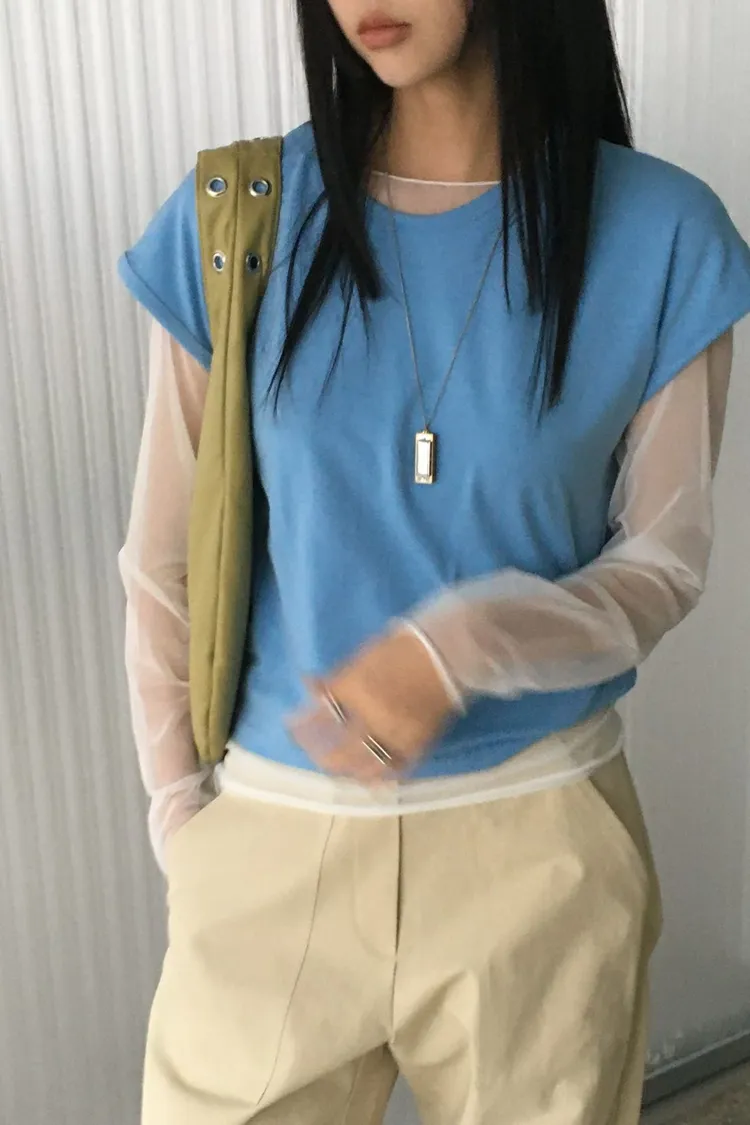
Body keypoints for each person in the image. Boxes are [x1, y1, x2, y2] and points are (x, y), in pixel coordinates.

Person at [116, 2, 750, 1123]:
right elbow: (162, 559)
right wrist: (184, 825)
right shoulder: (245, 215)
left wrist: (463, 644)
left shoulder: (665, 236)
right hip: (272, 842)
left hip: (538, 842)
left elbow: (662, 563)